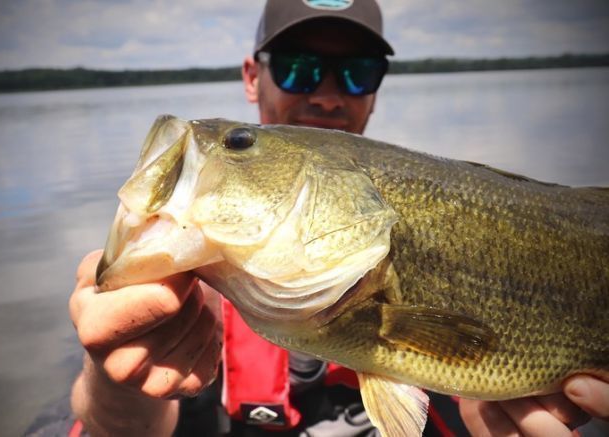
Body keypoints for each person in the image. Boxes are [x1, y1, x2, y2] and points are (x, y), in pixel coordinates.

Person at [66, 0, 609, 435]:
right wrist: (116, 386)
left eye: (356, 72)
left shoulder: (426, 209)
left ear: (376, 90)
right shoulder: (203, 283)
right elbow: (132, 424)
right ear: (254, 77)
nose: (327, 96)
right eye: (300, 69)